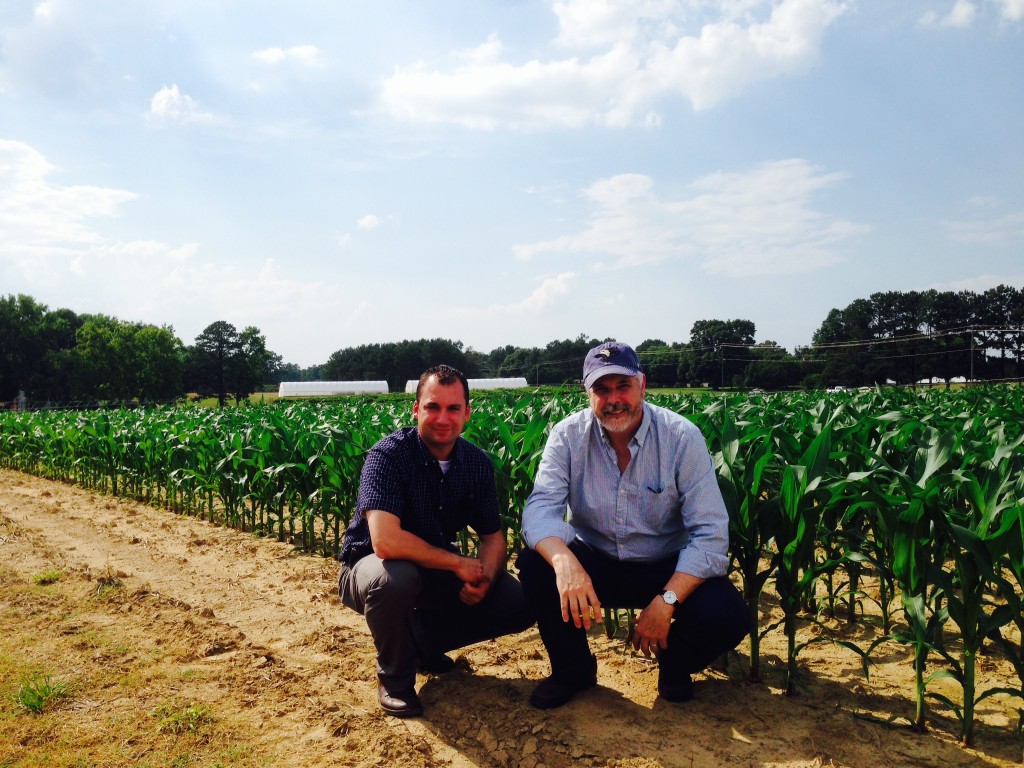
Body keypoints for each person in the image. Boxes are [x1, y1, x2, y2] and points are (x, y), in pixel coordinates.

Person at [516, 341, 748, 709]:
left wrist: (668, 600)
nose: (613, 399)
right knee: (535, 565)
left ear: (642, 384)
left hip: (664, 566)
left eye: (622, 386)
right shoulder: (568, 435)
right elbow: (540, 508)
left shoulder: (681, 437)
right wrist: (564, 563)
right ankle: (572, 671)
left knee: (728, 614)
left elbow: (710, 534)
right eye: (601, 389)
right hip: (596, 562)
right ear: (587, 392)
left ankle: (674, 667)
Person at [338, 364, 534, 718]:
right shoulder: (389, 456)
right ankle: (395, 679)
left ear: (467, 413)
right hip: (368, 569)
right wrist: (458, 564)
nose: (443, 418)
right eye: (432, 407)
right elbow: (385, 541)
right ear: (416, 409)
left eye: (453, 408)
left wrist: (484, 578)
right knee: (396, 578)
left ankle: (422, 645)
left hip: (431, 568)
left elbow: (492, 537)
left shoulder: (476, 465)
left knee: (516, 600)